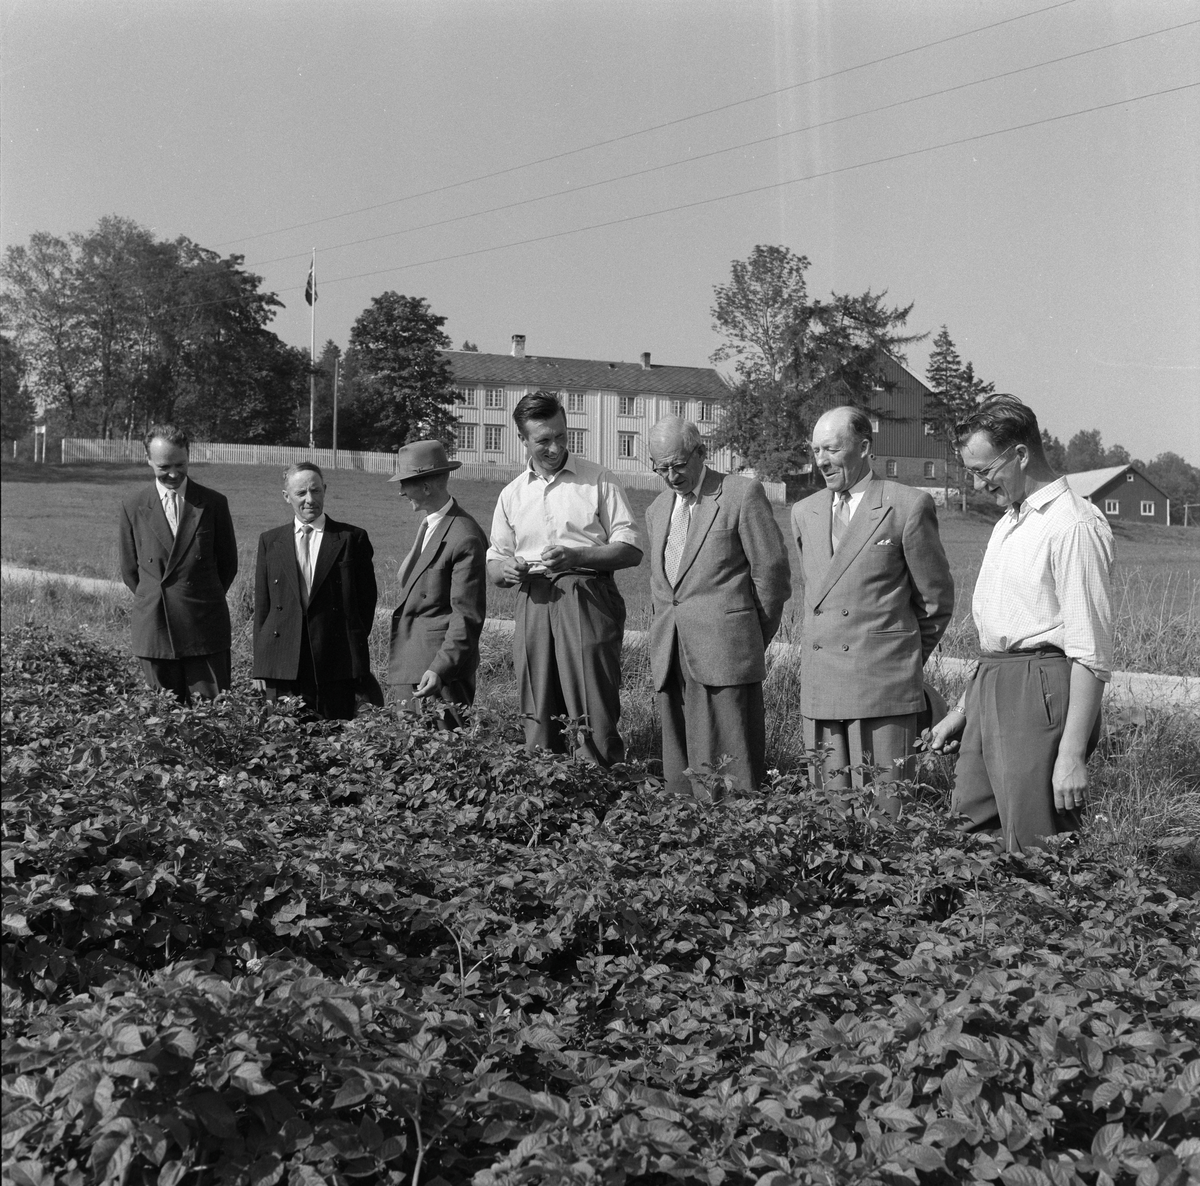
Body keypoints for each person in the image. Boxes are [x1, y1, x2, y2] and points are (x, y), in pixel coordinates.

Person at [924, 395, 1114, 851]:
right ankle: (986, 923)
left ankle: (1047, 922)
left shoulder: (1072, 525)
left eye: (985, 471)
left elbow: (1091, 650)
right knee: (972, 828)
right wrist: (963, 711)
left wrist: (1070, 754)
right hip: (991, 684)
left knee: (1036, 838)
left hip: (1040, 689)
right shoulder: (1009, 523)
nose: (979, 484)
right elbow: (999, 637)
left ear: (1021, 454)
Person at [792, 405, 954, 796]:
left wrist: (895, 657)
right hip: (821, 691)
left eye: (831, 449)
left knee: (886, 817)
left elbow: (935, 601)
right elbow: (820, 594)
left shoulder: (907, 506)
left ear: (864, 447)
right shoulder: (804, 512)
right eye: (815, 451)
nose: (822, 462)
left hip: (883, 691)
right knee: (829, 822)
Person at [488, 392, 643, 765]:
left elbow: (631, 549)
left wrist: (578, 555)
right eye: (543, 440)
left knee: (592, 702)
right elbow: (495, 561)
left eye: (561, 436)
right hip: (534, 599)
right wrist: (506, 571)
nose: (555, 447)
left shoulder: (597, 479)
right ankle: (546, 791)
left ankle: (604, 792)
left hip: (587, 595)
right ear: (523, 440)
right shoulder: (512, 494)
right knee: (538, 702)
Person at [646, 417, 791, 798]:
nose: (671, 475)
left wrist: (746, 637)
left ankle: (736, 845)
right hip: (671, 652)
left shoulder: (741, 494)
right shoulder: (657, 509)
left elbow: (771, 574)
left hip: (727, 653)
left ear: (702, 453)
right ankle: (683, 840)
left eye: (678, 464)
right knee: (680, 772)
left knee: (733, 770)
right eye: (661, 467)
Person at [118, 423, 238, 704]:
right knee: (162, 725)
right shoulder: (133, 505)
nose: (173, 474)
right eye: (164, 466)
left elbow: (228, 566)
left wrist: (196, 597)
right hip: (155, 630)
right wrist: (159, 599)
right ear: (148, 460)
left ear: (189, 456)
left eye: (180, 464)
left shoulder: (213, 503)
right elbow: (130, 571)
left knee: (214, 719)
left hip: (204, 628)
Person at [252, 462, 380, 720]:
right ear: (286, 496)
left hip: (334, 663)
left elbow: (366, 604)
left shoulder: (351, 539)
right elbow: (263, 607)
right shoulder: (270, 541)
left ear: (325, 490)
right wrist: (260, 666)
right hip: (282, 663)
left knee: (331, 741)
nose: (310, 499)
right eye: (301, 493)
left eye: (316, 491)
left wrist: (348, 646)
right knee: (284, 745)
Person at [387, 440, 488, 728]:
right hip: (413, 665)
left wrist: (440, 668)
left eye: (406, 483)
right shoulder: (434, 526)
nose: (401, 492)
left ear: (427, 487)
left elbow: (466, 615)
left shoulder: (463, 535)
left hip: (437, 675)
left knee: (443, 760)